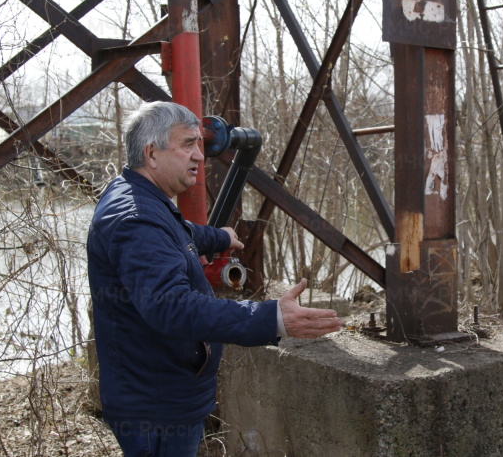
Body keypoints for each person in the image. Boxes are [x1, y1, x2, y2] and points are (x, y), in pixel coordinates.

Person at [87, 101, 343, 457]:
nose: (199, 156)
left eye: (200, 145)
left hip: (157, 393)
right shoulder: (137, 218)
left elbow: (174, 232)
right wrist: (272, 318)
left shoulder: (137, 197)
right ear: (152, 153)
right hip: (156, 408)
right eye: (187, 144)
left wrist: (218, 237)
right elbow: (172, 308)